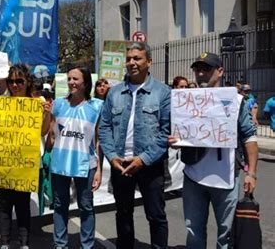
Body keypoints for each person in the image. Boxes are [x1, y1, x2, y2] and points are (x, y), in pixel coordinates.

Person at [168, 52, 258, 249]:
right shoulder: (185, 101)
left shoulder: (236, 100)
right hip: (193, 178)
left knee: (226, 236)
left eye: (206, 69)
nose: (200, 73)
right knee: (193, 233)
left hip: (226, 180)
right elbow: (177, 135)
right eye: (197, 69)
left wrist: (251, 173)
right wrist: (176, 140)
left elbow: (250, 137)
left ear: (220, 71)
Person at [99, 42, 170, 249]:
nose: (131, 63)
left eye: (137, 58)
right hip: (120, 164)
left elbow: (166, 131)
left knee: (156, 215)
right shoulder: (114, 93)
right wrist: (112, 157)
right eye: (128, 59)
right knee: (123, 214)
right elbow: (104, 127)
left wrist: (143, 159)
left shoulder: (163, 92)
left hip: (150, 165)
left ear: (149, 61)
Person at [0, 64, 51, 249]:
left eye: (19, 81)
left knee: (23, 205)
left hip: (26, 164)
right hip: (2, 162)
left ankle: (24, 243)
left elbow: (42, 132)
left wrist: (46, 114)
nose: (15, 85)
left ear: (27, 81)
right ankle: (5, 242)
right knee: (4, 205)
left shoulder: (38, 102)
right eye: (11, 81)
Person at [50, 66, 103, 249]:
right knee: (59, 206)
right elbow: (49, 134)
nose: (71, 82)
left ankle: (87, 246)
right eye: (69, 79)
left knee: (86, 207)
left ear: (85, 83)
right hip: (60, 163)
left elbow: (98, 141)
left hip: (86, 165)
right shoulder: (57, 104)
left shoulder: (97, 106)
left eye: (75, 79)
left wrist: (99, 170)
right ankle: (60, 244)